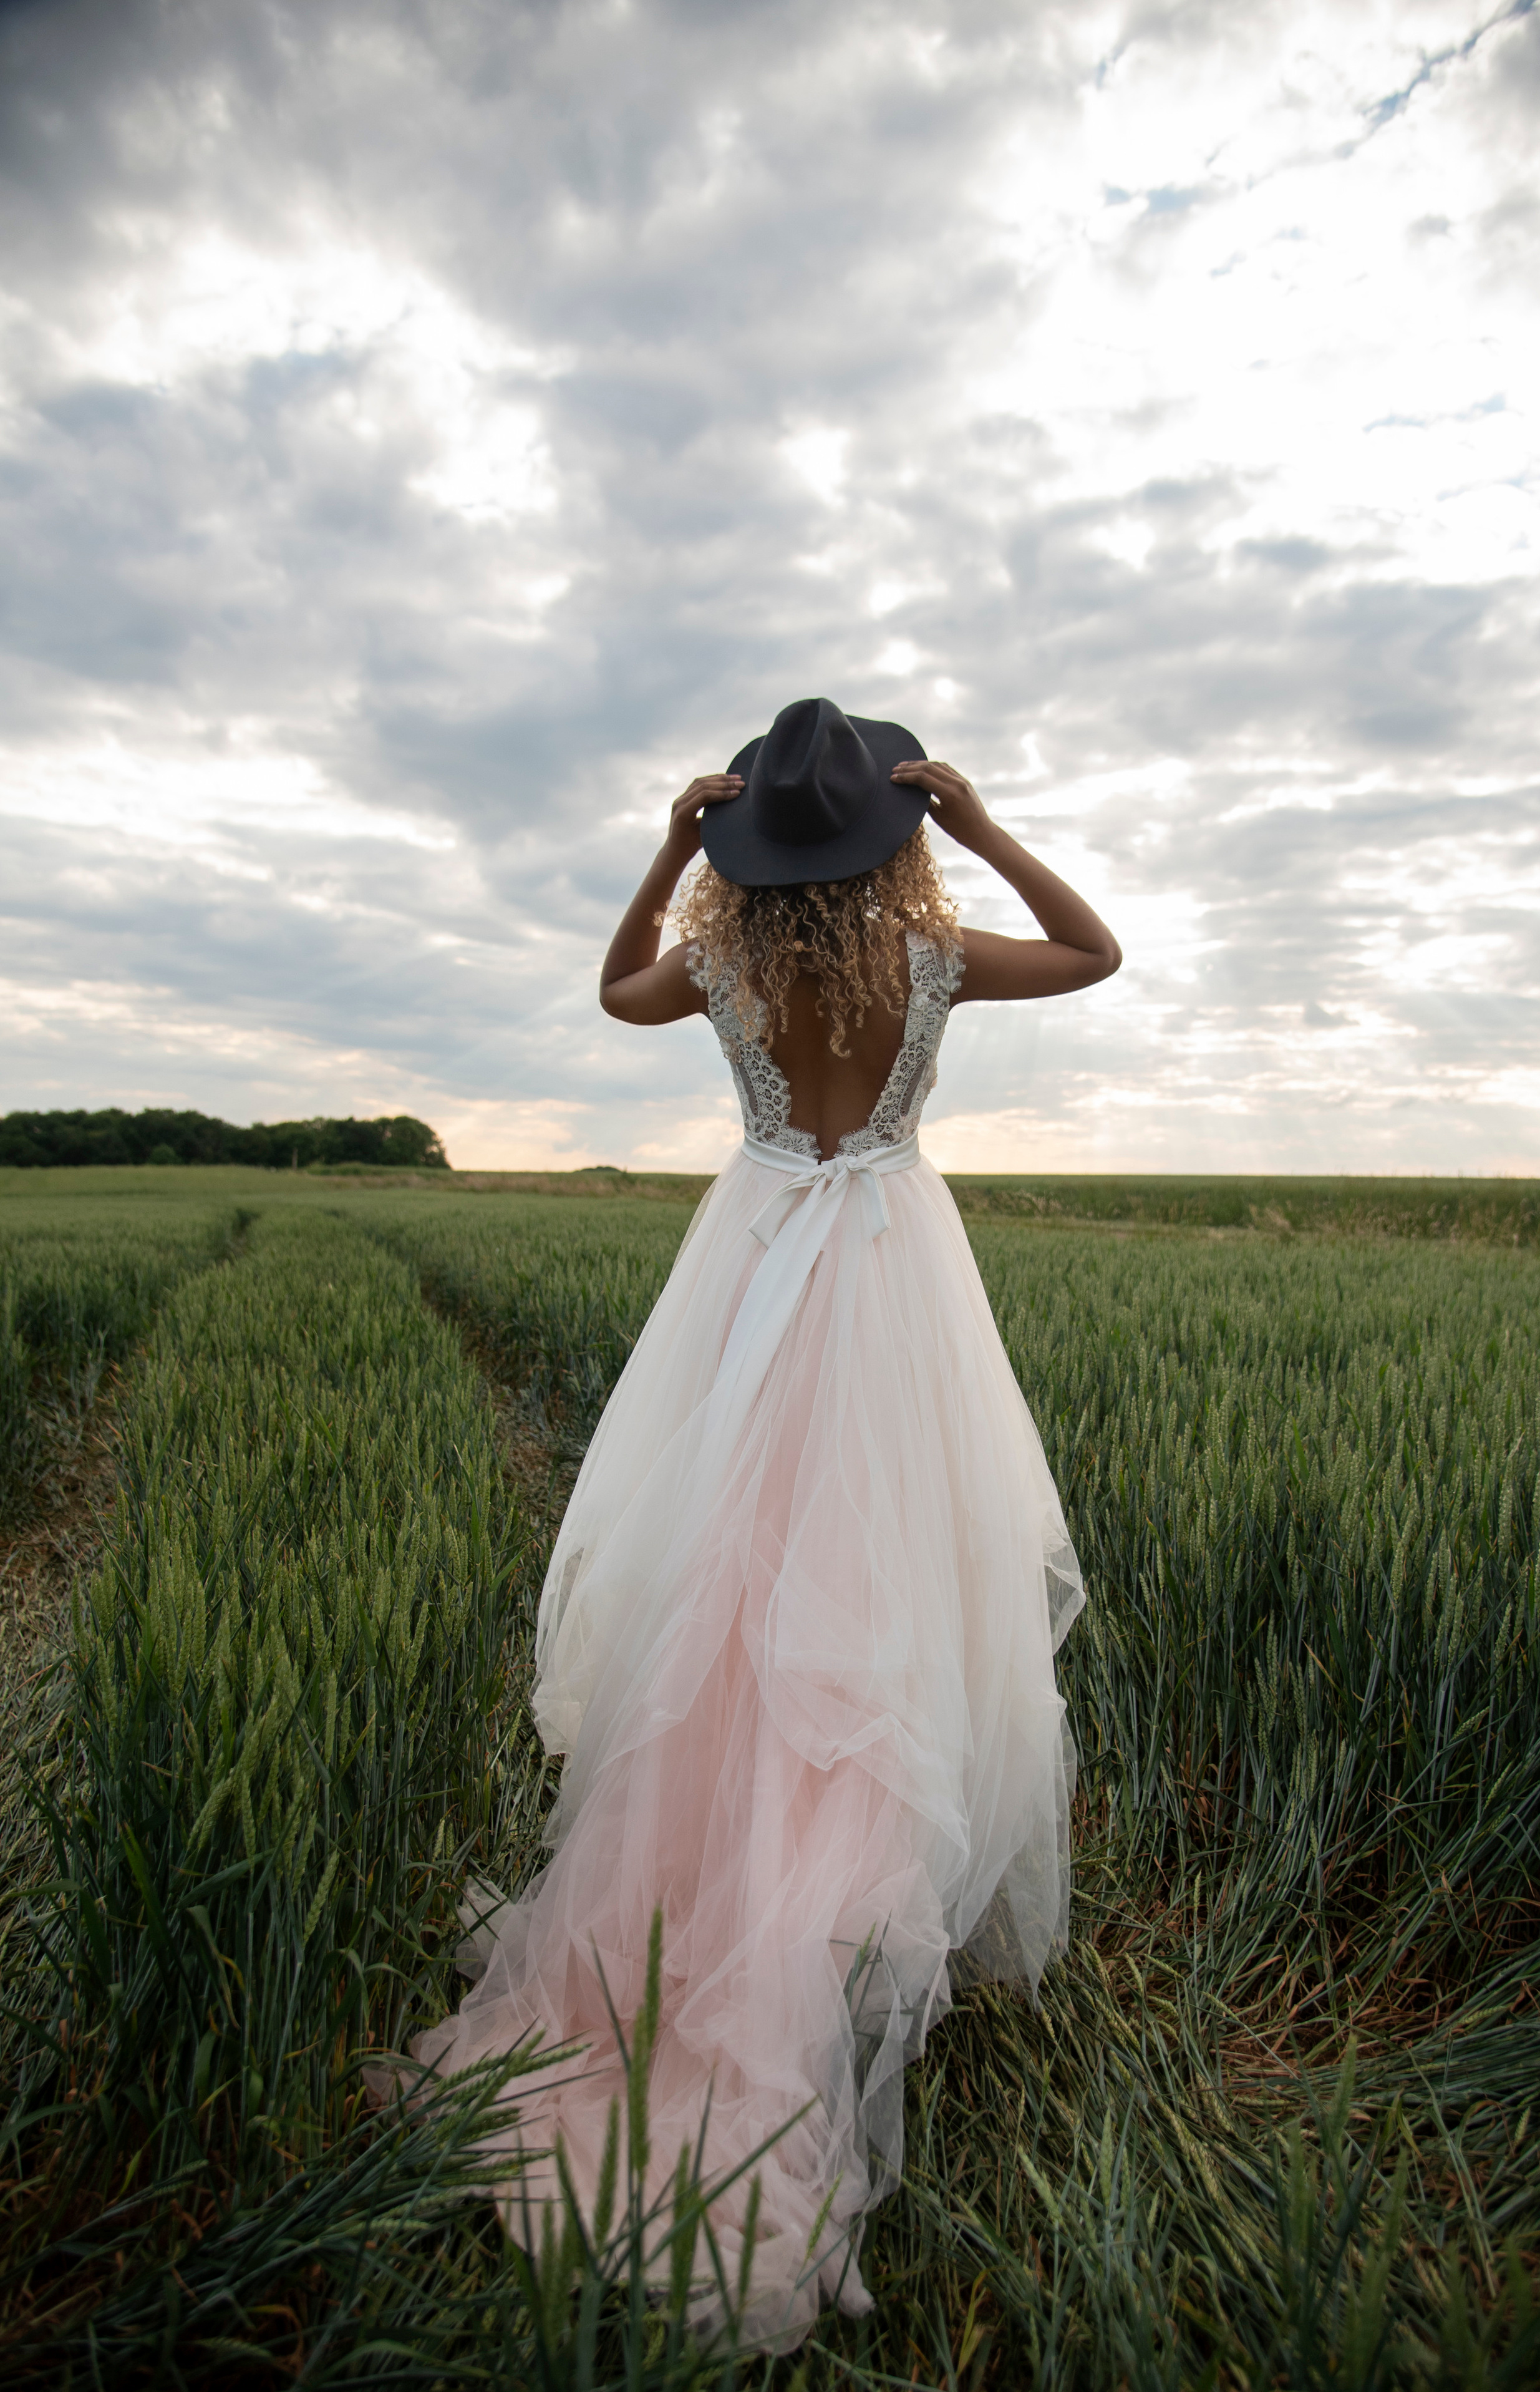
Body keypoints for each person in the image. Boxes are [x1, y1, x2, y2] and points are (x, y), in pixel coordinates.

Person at [407, 698, 1121, 2353]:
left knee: (726, 1591)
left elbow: (612, 988)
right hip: (888, 1285)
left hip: (751, 1280)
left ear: (748, 848)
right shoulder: (929, 965)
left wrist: (667, 847)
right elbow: (1095, 953)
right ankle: (839, 1926)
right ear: (889, 832)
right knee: (885, 1594)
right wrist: (986, 829)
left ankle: (705, 1904)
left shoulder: (722, 969)